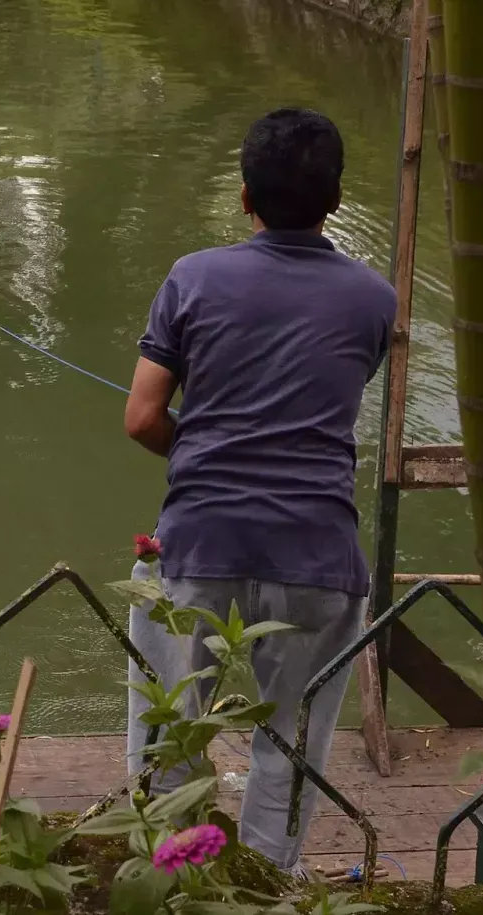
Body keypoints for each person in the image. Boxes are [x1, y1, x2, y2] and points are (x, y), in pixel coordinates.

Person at [122, 108, 397, 875]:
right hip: (317, 552)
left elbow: (143, 417)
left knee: (170, 732)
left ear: (245, 196)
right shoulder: (376, 300)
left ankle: (170, 876)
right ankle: (270, 880)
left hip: (199, 538)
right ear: (336, 199)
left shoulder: (193, 277)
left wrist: (203, 444)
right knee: (289, 740)